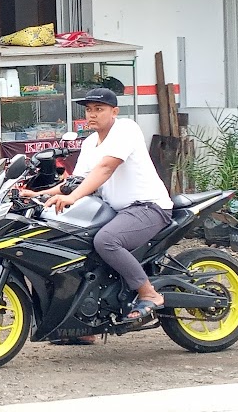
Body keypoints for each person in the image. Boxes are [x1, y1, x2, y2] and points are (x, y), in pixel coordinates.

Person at [24, 87, 173, 326]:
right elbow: (76, 183)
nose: (92, 114)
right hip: (116, 211)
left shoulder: (126, 129)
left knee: (106, 241)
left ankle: (149, 294)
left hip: (148, 207)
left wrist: (73, 198)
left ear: (114, 111)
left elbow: (106, 168)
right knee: (73, 242)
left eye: (99, 109)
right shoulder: (90, 142)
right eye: (89, 110)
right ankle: (85, 324)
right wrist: (37, 194)